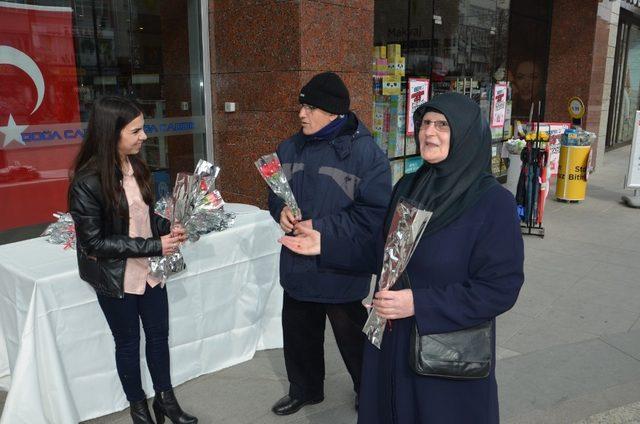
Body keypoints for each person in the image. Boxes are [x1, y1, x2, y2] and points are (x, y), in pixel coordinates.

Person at [280, 92, 525, 423]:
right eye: (425, 123)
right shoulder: (410, 185)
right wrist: (326, 244)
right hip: (392, 346)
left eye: (442, 125)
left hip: (444, 357)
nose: (429, 132)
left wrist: (418, 304)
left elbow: (500, 288)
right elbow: (386, 252)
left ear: (466, 134)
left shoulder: (493, 203)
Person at [268, 72, 392, 415]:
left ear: (333, 112)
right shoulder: (288, 147)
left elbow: (374, 213)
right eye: (301, 106)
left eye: (309, 107)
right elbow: (276, 193)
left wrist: (320, 230)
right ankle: (305, 389)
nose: (301, 114)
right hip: (297, 263)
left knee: (353, 338)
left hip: (341, 263)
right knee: (298, 333)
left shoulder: (368, 155)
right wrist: (279, 211)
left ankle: (368, 389)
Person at [68, 96, 198, 424]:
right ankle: (139, 408)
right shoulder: (86, 182)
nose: (144, 137)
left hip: (150, 269)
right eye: (136, 131)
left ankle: (166, 401)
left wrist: (169, 228)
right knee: (128, 342)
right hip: (116, 276)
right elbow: (94, 242)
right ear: (111, 133)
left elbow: (144, 216)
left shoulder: (136, 165)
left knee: (158, 337)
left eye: (144, 129)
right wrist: (156, 244)